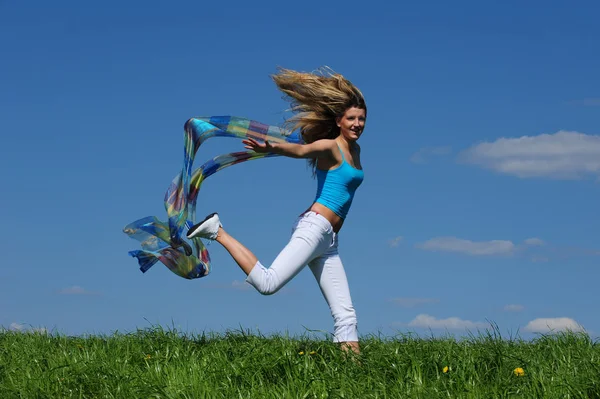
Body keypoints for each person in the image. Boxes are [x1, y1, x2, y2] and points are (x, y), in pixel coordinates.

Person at [187, 67, 366, 354]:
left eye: (361, 119)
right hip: (315, 228)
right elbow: (301, 151)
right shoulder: (331, 147)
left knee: (346, 316)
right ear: (339, 121)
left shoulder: (355, 152)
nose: (357, 124)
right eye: (352, 119)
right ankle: (217, 231)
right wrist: (271, 146)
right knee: (268, 283)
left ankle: (357, 382)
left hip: (329, 240)